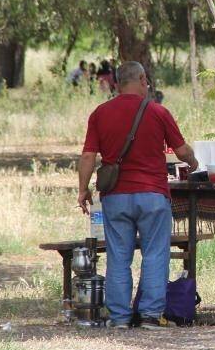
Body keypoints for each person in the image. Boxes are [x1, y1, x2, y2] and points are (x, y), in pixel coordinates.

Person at [77, 61, 198, 330]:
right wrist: (194, 162)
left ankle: (120, 317)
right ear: (142, 79)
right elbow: (181, 151)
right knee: (155, 254)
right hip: (153, 196)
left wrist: (83, 189)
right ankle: (149, 316)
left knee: (118, 256)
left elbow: (88, 156)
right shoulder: (158, 112)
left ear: (117, 83)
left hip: (115, 197)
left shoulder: (100, 113)